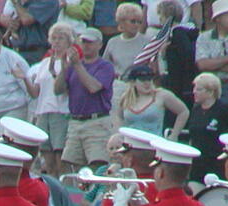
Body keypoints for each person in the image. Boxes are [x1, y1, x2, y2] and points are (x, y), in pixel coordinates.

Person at [55, 27, 114, 173]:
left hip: (96, 122)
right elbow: (57, 90)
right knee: (68, 164)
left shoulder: (105, 66)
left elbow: (93, 87)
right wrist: (64, 68)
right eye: (83, 42)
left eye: (90, 42)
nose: (86, 45)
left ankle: (94, 194)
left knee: (97, 165)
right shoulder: (73, 66)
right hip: (75, 122)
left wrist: (77, 65)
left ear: (100, 45)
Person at [186, 73, 228, 183]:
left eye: (199, 89)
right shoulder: (196, 110)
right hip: (198, 165)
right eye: (194, 88)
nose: (194, 92)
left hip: (218, 164)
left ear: (210, 92)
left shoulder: (226, 109)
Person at [27, 22, 74, 177]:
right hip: (43, 111)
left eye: (61, 38)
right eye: (54, 38)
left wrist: (56, 74)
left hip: (60, 111)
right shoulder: (45, 63)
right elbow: (35, 92)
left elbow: (65, 90)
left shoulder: (70, 62)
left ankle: (62, 186)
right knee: (46, 155)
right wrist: (23, 78)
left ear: (68, 41)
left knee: (59, 154)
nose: (57, 42)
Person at [113, 64, 190, 139]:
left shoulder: (162, 95)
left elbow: (184, 111)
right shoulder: (126, 97)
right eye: (142, 80)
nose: (147, 83)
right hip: (131, 145)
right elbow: (118, 117)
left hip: (154, 144)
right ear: (133, 82)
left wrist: (174, 135)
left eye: (149, 79)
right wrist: (120, 135)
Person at [102, 3, 149, 109]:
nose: (136, 24)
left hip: (140, 86)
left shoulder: (147, 42)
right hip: (118, 87)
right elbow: (105, 67)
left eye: (139, 22)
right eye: (133, 21)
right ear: (121, 22)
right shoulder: (112, 42)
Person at [0, 0, 59, 64]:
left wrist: (16, 2)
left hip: (35, 53)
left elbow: (26, 19)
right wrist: (7, 21)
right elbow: (4, 18)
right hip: (16, 50)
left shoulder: (49, 1)